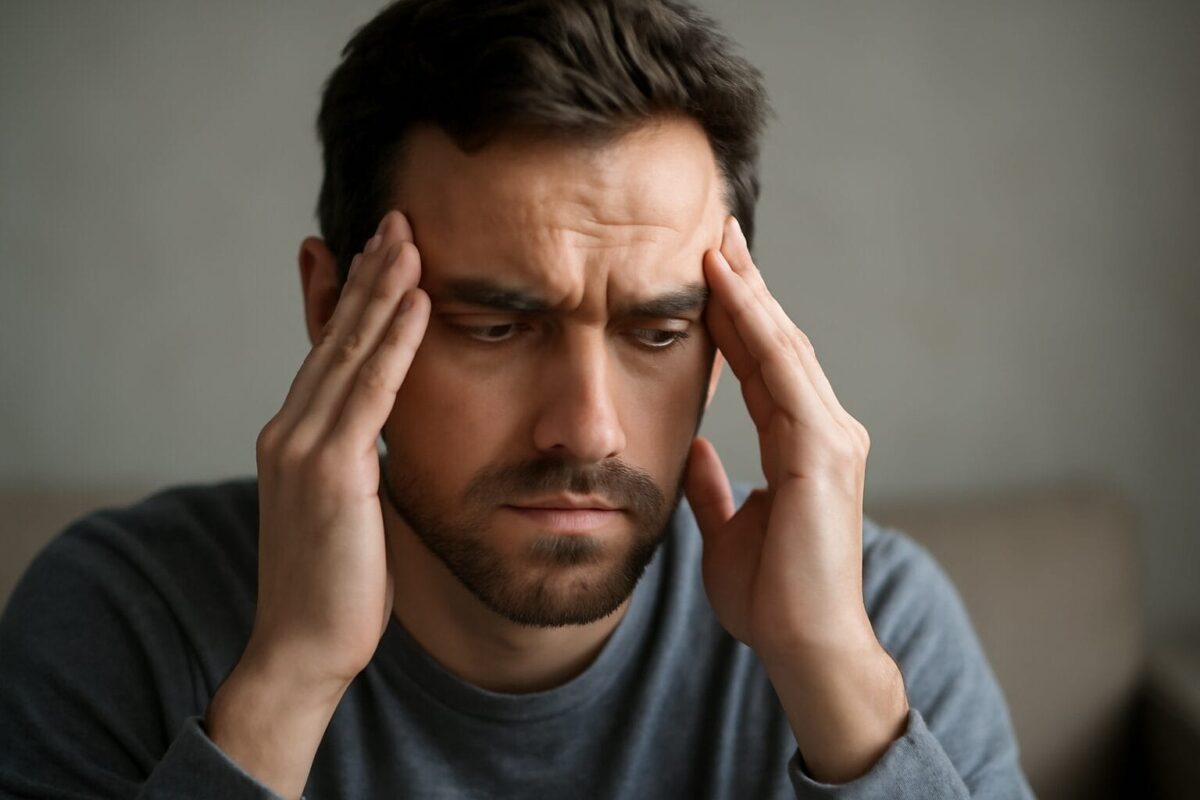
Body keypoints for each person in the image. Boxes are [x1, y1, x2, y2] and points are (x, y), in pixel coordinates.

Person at [0, 1, 1034, 798]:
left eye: (659, 331)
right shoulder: (122, 616)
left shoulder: (879, 621)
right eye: (494, 327)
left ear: (735, 342)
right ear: (332, 305)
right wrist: (289, 678)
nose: (585, 426)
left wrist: (831, 677)